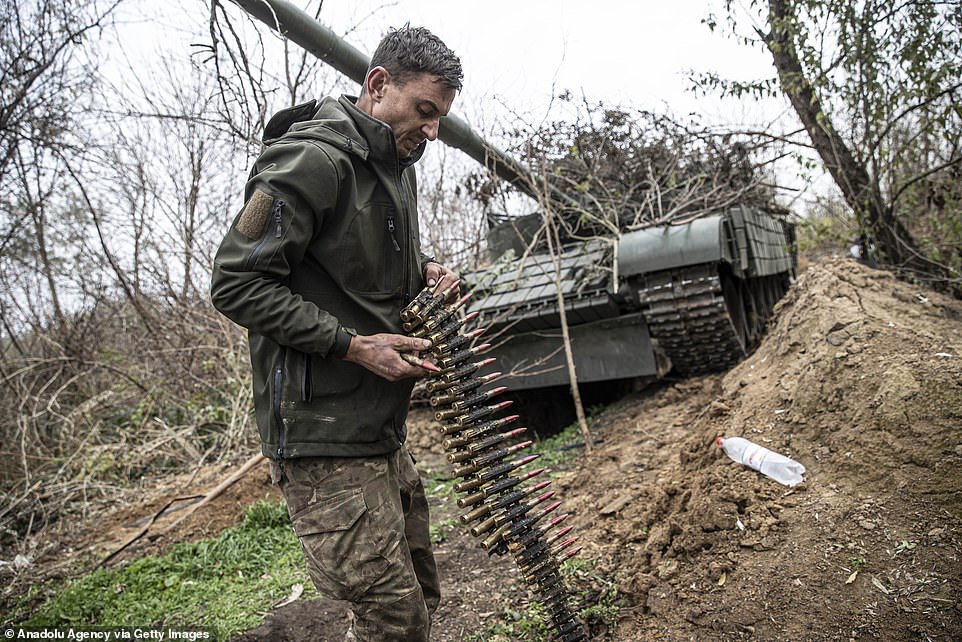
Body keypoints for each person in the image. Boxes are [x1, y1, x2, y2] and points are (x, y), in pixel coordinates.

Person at [210, 25, 463, 641]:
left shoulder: (396, 164)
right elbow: (237, 284)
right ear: (378, 85)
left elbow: (355, 267)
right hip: (324, 435)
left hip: (379, 427)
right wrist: (354, 346)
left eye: (440, 119)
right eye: (425, 111)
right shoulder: (311, 160)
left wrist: (424, 273)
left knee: (419, 602)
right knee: (391, 619)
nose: (432, 131)